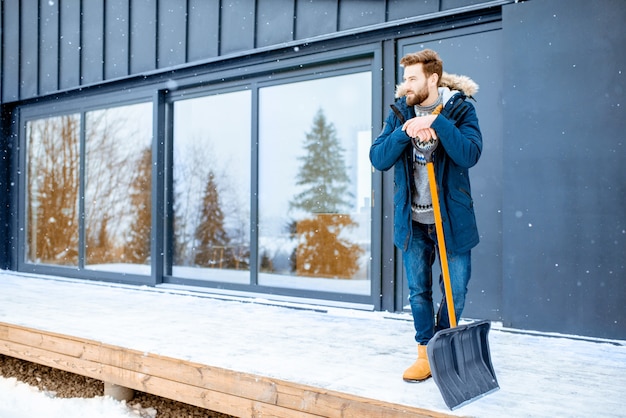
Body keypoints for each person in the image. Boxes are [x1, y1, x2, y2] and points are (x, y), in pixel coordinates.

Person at [369, 49, 482, 382]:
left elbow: (469, 153)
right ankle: (425, 352)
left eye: (412, 78)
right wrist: (405, 130)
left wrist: (437, 123)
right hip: (413, 222)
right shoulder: (399, 111)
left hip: (452, 220)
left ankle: (443, 345)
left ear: (432, 79)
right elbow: (378, 157)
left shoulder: (460, 110)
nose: (406, 85)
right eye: (405, 79)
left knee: (456, 289)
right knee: (418, 291)